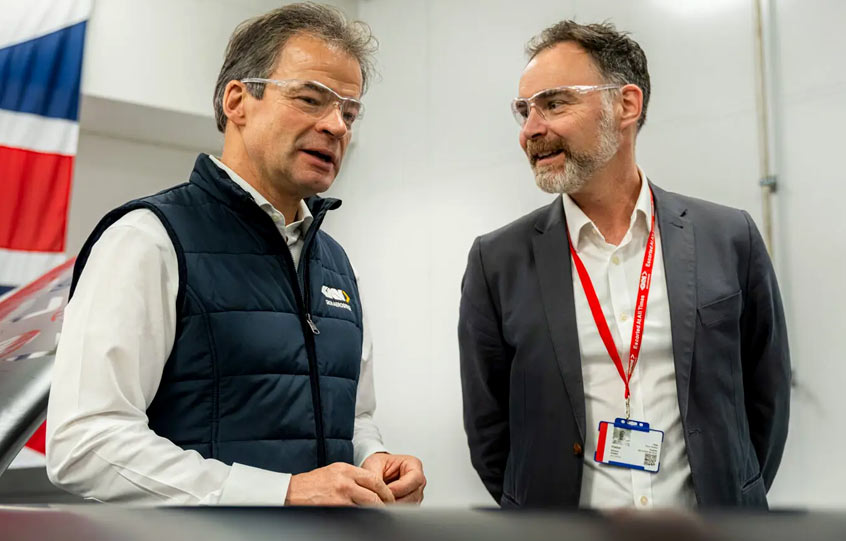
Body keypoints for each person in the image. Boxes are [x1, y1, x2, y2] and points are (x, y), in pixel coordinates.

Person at [46, 2, 425, 506]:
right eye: (311, 99)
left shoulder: (335, 264)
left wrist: (373, 460)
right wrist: (281, 493)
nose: (337, 125)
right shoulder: (147, 239)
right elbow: (85, 443)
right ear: (237, 101)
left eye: (349, 112)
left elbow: (353, 418)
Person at [458, 20, 789, 510]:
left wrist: (733, 499)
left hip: (710, 538)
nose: (531, 130)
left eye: (554, 103)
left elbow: (767, 399)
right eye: (524, 111)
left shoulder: (728, 237)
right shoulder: (497, 262)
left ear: (626, 105)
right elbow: (490, 431)